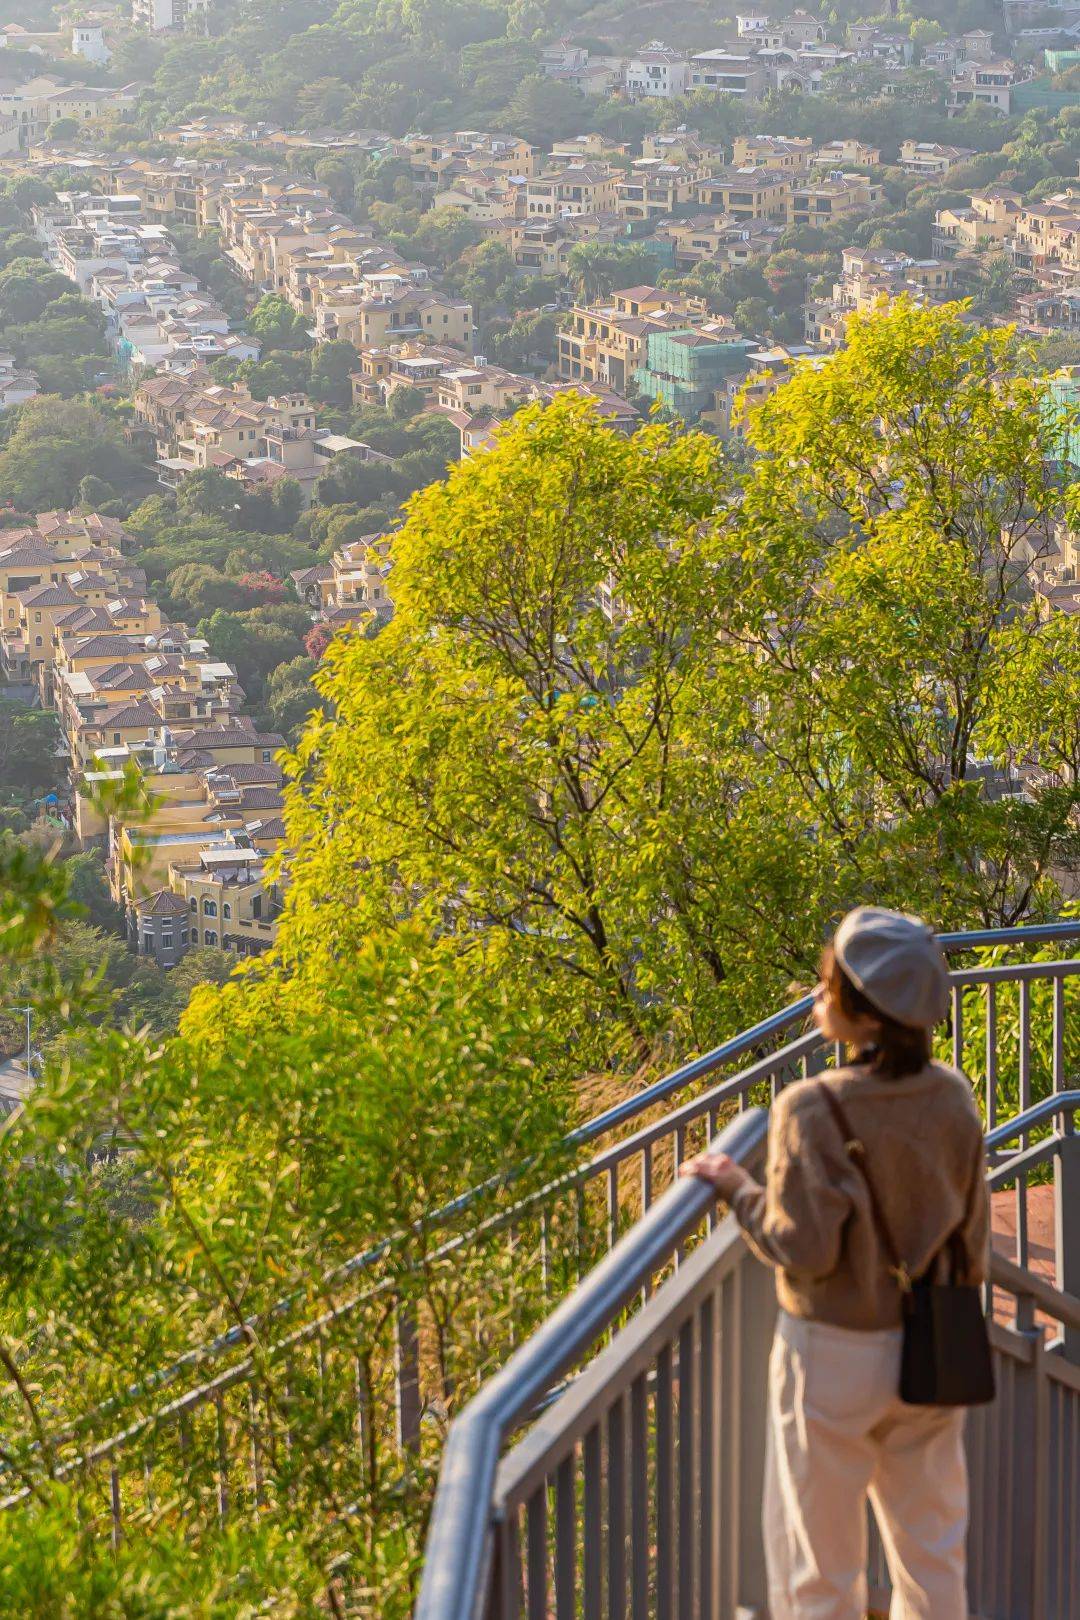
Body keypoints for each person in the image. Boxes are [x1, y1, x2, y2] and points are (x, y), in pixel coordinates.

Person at [682, 906, 989, 1620]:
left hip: (833, 1354)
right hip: (934, 1349)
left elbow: (805, 1247)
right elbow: (972, 1238)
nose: (817, 996)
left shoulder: (811, 1109)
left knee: (818, 1565)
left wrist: (737, 1188)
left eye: (827, 986)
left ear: (866, 1011)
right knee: (933, 1555)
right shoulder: (952, 1097)